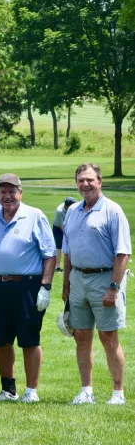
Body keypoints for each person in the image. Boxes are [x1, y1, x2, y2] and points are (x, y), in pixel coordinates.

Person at [0, 174, 56, 403]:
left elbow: (49, 255)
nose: (7, 196)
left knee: (29, 339)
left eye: (12, 191)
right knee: (1, 340)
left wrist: (46, 287)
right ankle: (9, 390)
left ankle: (31, 391)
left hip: (27, 287)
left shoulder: (34, 216)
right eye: (2, 191)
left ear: (20, 193)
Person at [62, 163, 131, 405]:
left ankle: (118, 393)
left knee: (108, 336)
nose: (85, 185)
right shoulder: (72, 211)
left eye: (90, 180)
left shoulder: (112, 211)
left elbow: (123, 253)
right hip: (78, 278)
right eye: (81, 180)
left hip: (105, 279)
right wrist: (66, 286)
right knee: (81, 335)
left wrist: (114, 287)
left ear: (99, 182)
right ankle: (86, 391)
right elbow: (67, 252)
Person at [52, 197, 76, 272]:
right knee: (59, 247)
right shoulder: (59, 211)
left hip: (68, 226)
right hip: (58, 228)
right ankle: (57, 267)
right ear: (66, 206)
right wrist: (67, 235)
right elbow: (61, 225)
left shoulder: (74, 207)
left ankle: (73, 265)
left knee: (71, 246)